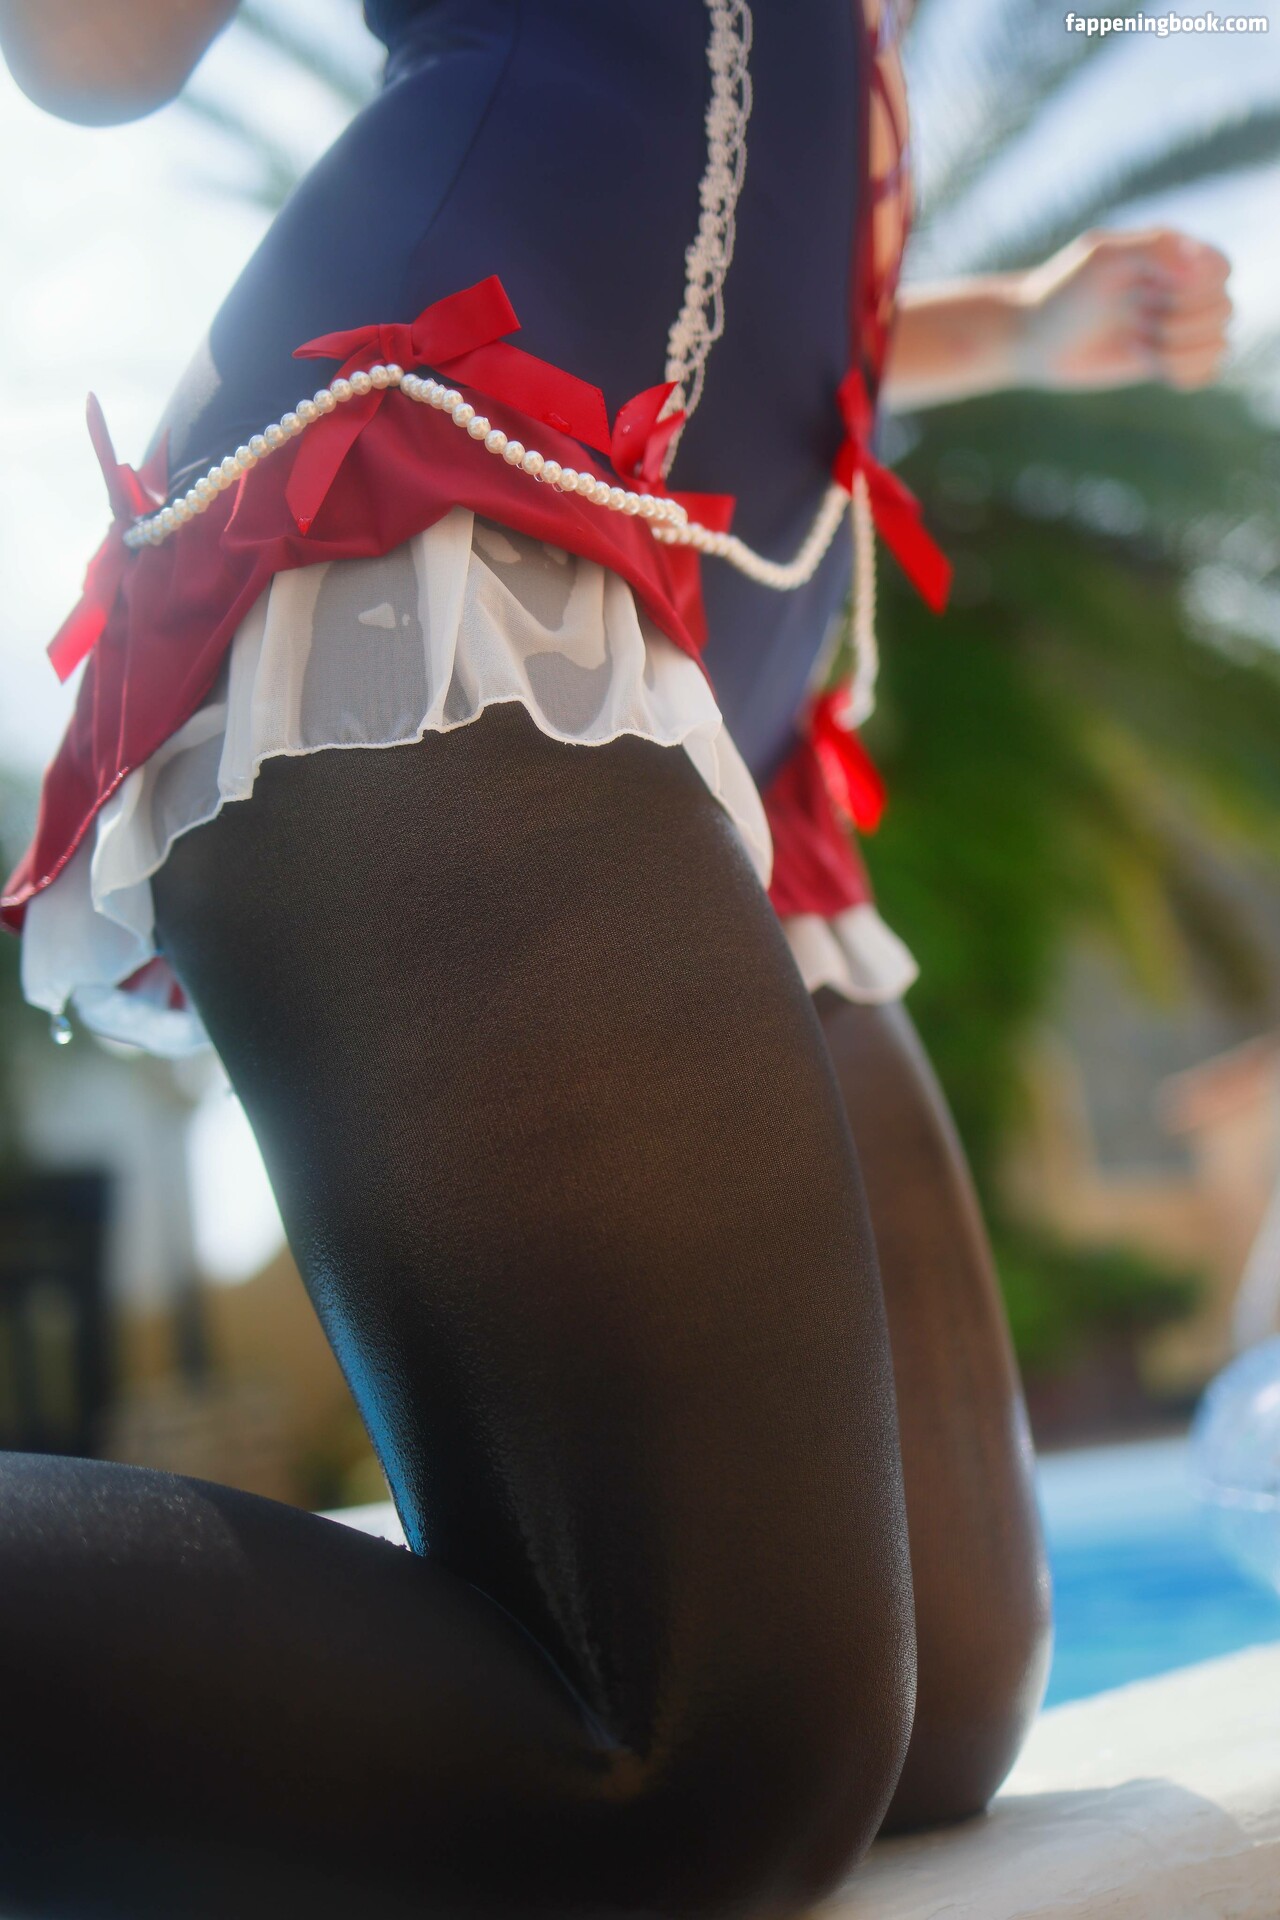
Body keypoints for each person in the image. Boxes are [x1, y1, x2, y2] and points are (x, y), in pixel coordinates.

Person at [0, 3, 1231, 1914]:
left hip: (712, 688)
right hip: (426, 538)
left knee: (938, 1710)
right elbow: (92, 55)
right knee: (697, 1759)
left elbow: (748, 192)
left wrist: (1012, 329)